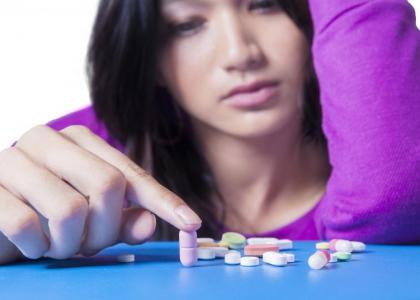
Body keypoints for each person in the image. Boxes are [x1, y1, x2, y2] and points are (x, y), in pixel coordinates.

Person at [0, 0, 419, 265]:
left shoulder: (400, 142)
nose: (241, 54)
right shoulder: (91, 154)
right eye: (187, 25)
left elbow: (391, 192)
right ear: (150, 58)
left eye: (265, 4)